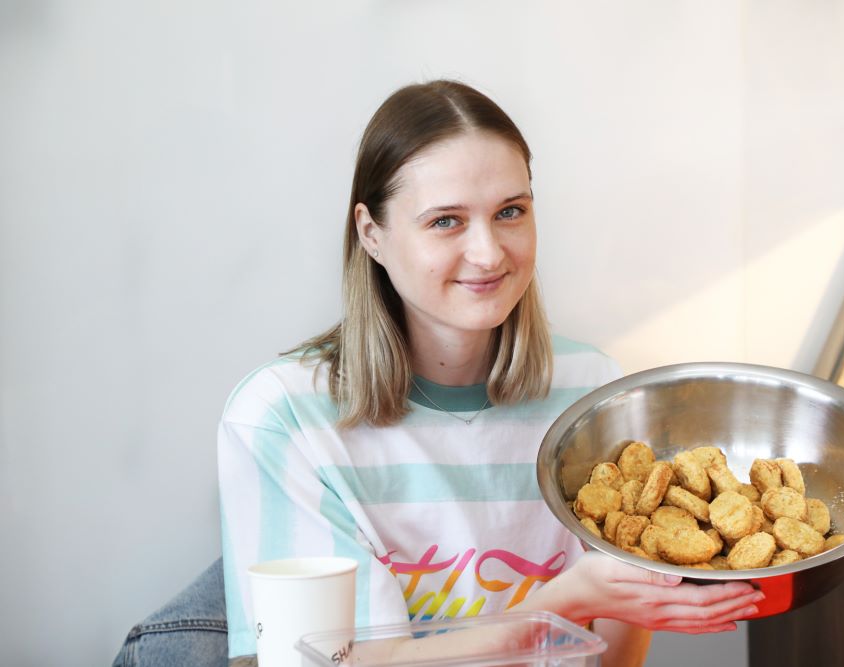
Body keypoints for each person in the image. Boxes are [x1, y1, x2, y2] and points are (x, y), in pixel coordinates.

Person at [218, 79, 763, 667]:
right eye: (445, 221)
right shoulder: (286, 417)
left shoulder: (592, 389)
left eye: (510, 212)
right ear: (371, 233)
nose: (489, 253)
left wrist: (644, 586)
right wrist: (561, 605)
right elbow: (329, 663)